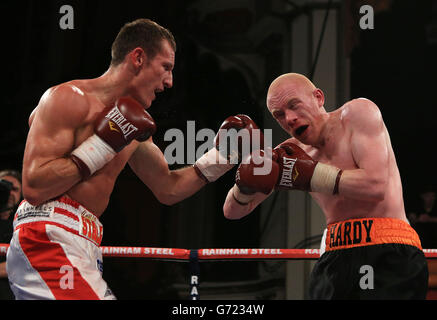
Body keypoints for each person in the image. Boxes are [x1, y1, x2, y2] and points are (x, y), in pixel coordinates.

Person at [7, 18, 261, 300]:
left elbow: (168, 188)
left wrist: (226, 155)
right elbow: (34, 186)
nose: (169, 82)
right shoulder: (67, 99)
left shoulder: (133, 126)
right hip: (48, 235)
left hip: (82, 243)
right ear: (138, 57)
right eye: (166, 67)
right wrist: (103, 145)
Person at [223, 73, 429, 299]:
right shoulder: (289, 154)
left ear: (318, 98)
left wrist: (312, 174)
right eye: (279, 115)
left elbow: (375, 186)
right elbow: (233, 212)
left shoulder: (357, 114)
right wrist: (244, 185)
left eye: (294, 105)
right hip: (335, 256)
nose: (290, 118)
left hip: (387, 249)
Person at [0, 170, 22, 300]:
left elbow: (27, 263)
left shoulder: (23, 226)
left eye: (14, 189)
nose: (9, 192)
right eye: (4, 186)